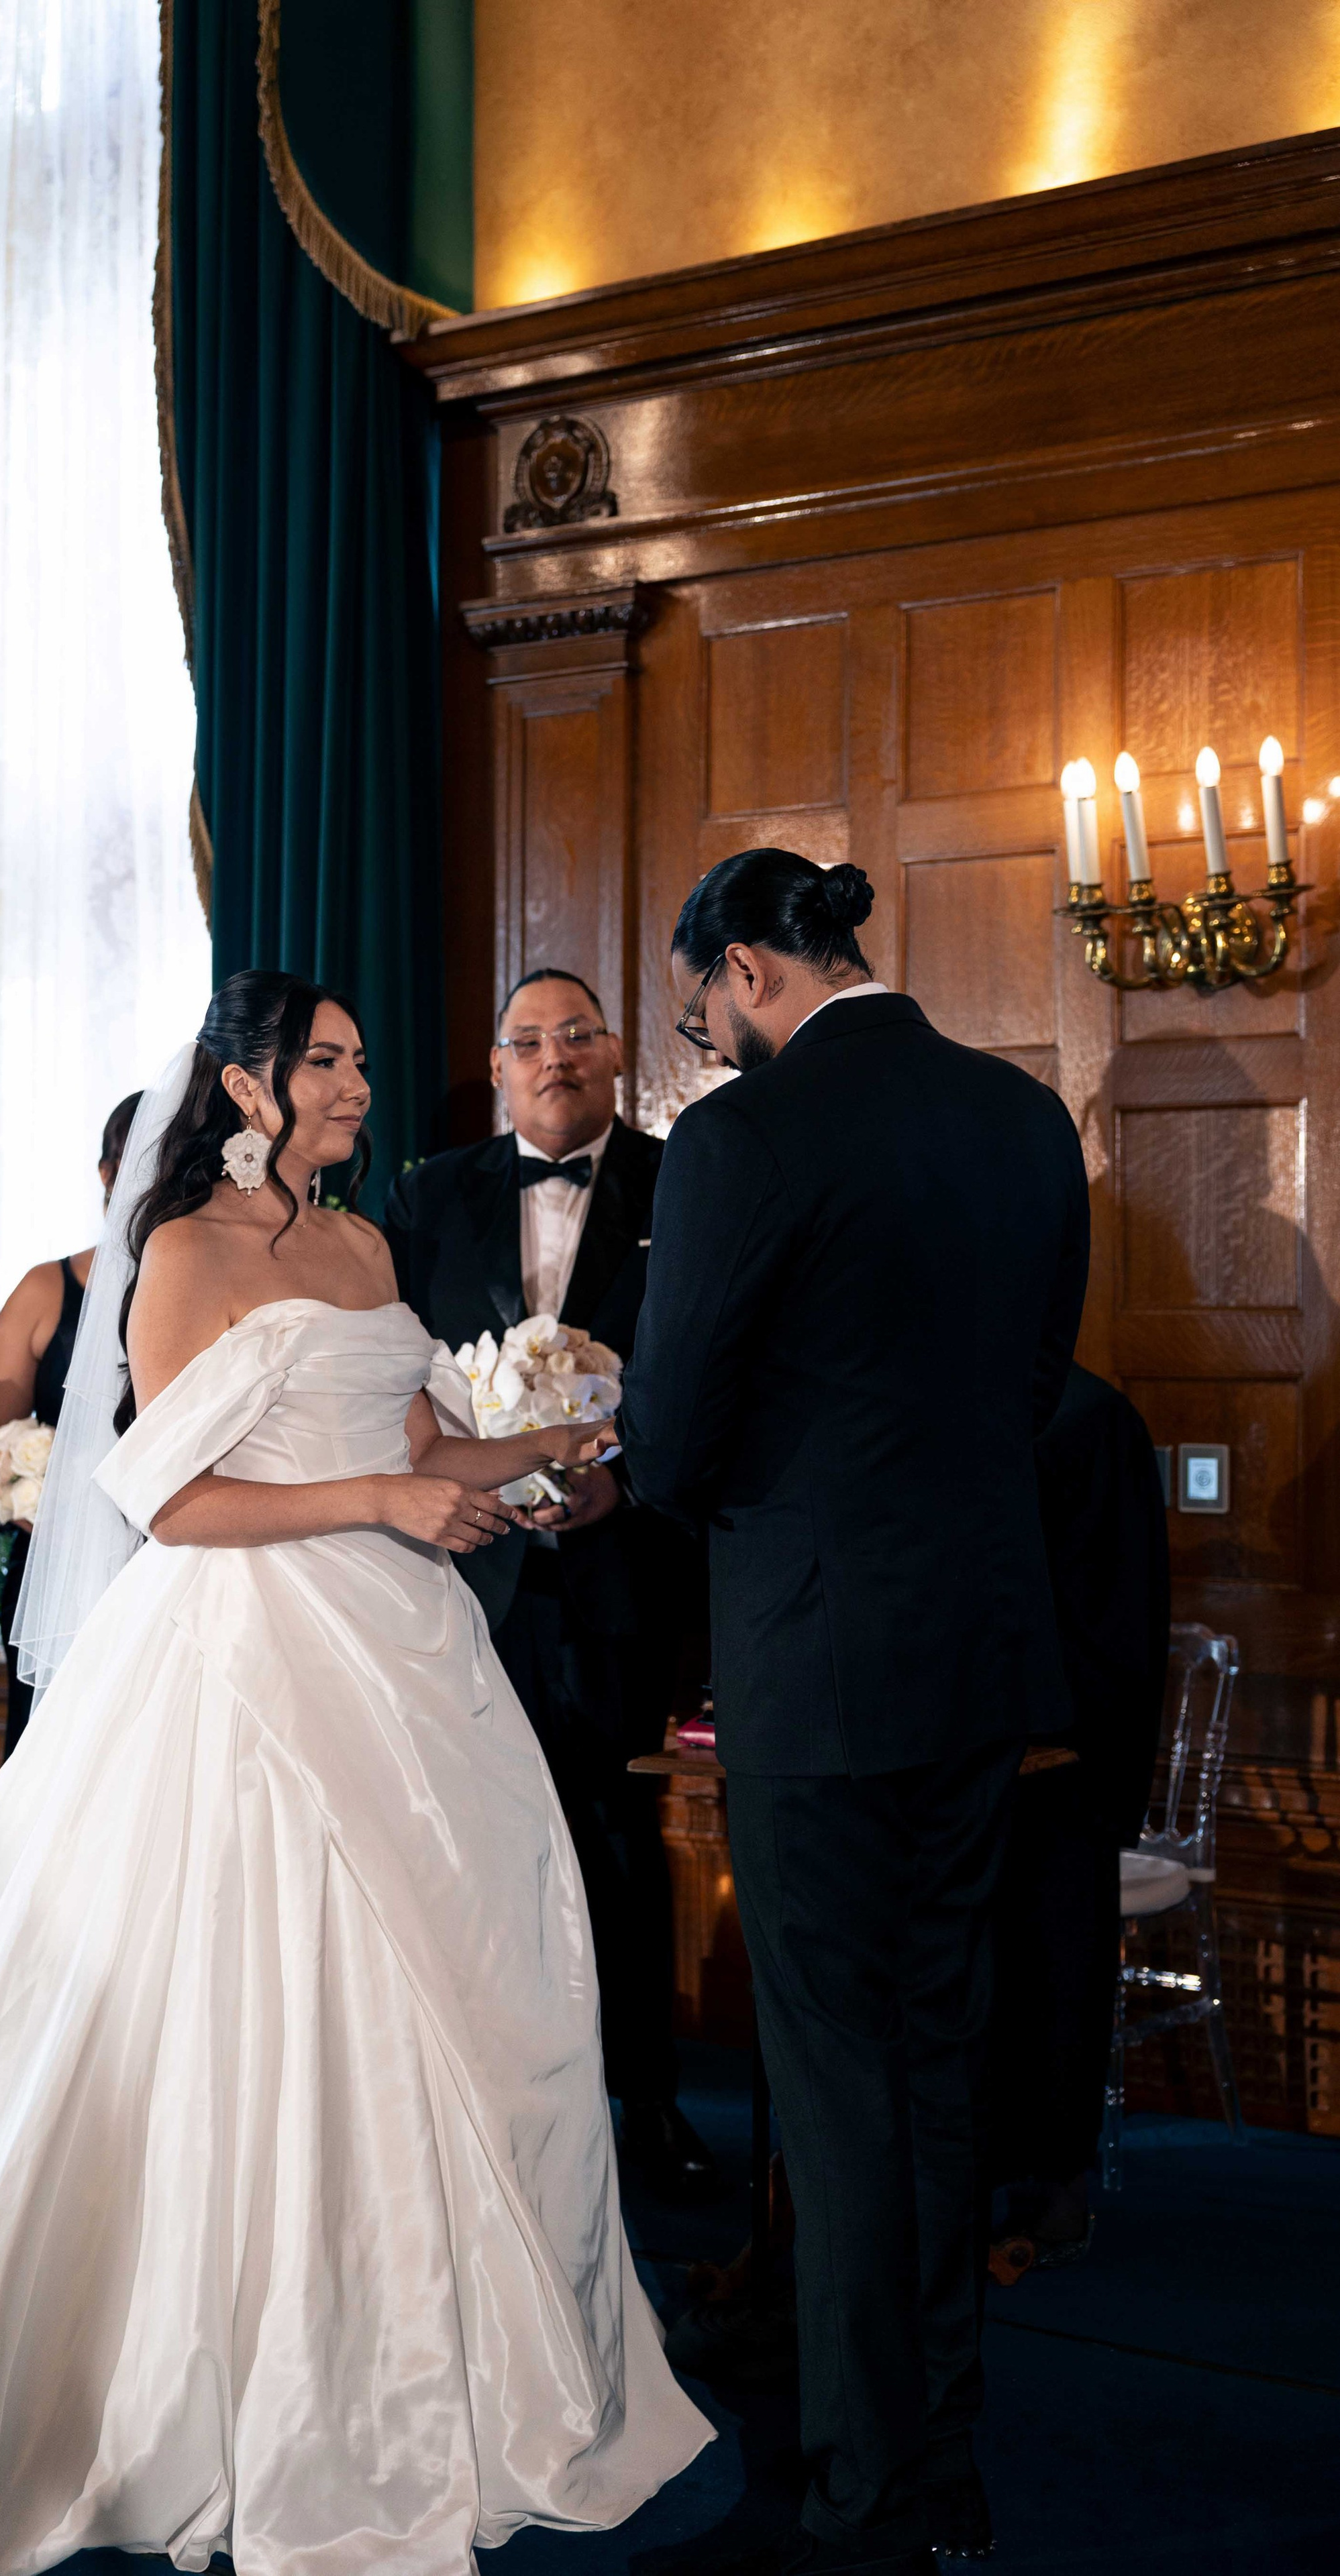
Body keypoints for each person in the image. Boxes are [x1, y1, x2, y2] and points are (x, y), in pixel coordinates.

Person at [0, 971, 711, 2575]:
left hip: (397, 1653)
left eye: (355, 1059)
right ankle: (210, 2363)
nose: (356, 1084)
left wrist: (568, 1450)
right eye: (329, 1062)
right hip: (246, 1648)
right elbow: (167, 1497)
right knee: (231, 1986)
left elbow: (421, 1443)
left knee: (438, 1978)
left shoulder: (363, 1242)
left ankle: (412, 2342)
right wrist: (381, 1506)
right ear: (251, 1083)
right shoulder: (187, 1252)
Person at [623, 849, 1088, 2576]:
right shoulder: (1019, 1114)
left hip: (813, 1665)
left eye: (699, 1008)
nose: (704, 1040)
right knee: (937, 2060)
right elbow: (1037, 1383)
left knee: (829, 2091)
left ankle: (857, 2489)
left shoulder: (741, 1139)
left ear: (750, 967)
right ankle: (940, 2469)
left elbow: (670, 1441)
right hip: (974, 1655)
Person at [384, 967, 716, 2204]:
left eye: (577, 1035)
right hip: (469, 1574)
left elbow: (705, 1358)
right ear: (497, 1063)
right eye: (529, 1040)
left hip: (622, 1570)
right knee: (476, 1837)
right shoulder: (429, 1195)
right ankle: (484, 2101)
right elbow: (397, 1365)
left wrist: (626, 1484)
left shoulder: (683, 1179)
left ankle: (644, 2101)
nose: (555, 1057)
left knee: (617, 1843)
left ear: (618, 1050)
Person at [987, 1364, 1170, 2262]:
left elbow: (1120, 1617)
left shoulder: (1089, 1418)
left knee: (1056, 1973)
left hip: (1064, 1757)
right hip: (959, 1754)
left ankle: (1052, 2181)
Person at [0, 1089, 142, 1754]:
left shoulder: (213, 1286)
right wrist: (25, 1497)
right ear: (106, 1172)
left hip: (177, 1564)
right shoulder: (47, 1289)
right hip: (60, 1572)